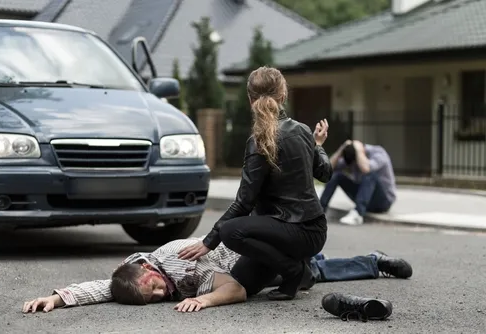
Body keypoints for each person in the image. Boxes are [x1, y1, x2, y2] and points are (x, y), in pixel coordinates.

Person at [178, 66, 332, 301]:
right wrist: (318, 145)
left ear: (250, 100)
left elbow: (244, 203)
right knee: (242, 283)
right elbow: (326, 174)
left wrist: (209, 241)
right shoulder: (302, 131)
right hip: (312, 231)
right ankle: (303, 272)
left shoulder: (259, 141)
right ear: (283, 96)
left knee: (230, 231)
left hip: (294, 233)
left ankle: (293, 270)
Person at [22, 236, 412, 314]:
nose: (160, 295)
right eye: (153, 298)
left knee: (310, 271)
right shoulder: (134, 273)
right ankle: (373, 261)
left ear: (147, 269)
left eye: (154, 289)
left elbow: (235, 290)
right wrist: (55, 298)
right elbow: (103, 288)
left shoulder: (179, 264)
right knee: (316, 269)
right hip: (255, 264)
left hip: (251, 259)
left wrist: (204, 300)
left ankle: (373, 261)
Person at [319, 140, 396, 226]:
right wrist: (340, 150)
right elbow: (328, 169)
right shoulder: (351, 157)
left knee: (370, 174)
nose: (354, 165)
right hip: (364, 196)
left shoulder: (379, 153)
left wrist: (359, 150)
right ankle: (319, 211)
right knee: (336, 176)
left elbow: (366, 169)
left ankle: (358, 214)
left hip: (383, 201)